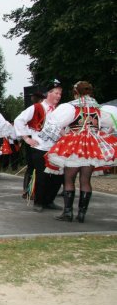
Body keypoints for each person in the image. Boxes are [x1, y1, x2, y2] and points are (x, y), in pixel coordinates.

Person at [40, 81, 117, 222]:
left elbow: (53, 124)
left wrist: (63, 135)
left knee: (69, 178)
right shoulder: (99, 109)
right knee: (85, 180)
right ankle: (81, 214)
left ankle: (68, 213)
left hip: (74, 145)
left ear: (76, 92)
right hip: (92, 146)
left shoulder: (70, 107)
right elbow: (110, 125)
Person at [14, 79, 63, 212]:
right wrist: (26, 138)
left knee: (58, 176)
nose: (58, 96)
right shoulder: (36, 107)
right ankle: (39, 202)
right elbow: (19, 120)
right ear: (48, 93)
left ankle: (49, 200)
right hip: (40, 147)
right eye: (56, 93)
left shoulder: (59, 110)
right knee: (42, 176)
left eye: (60, 93)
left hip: (55, 148)